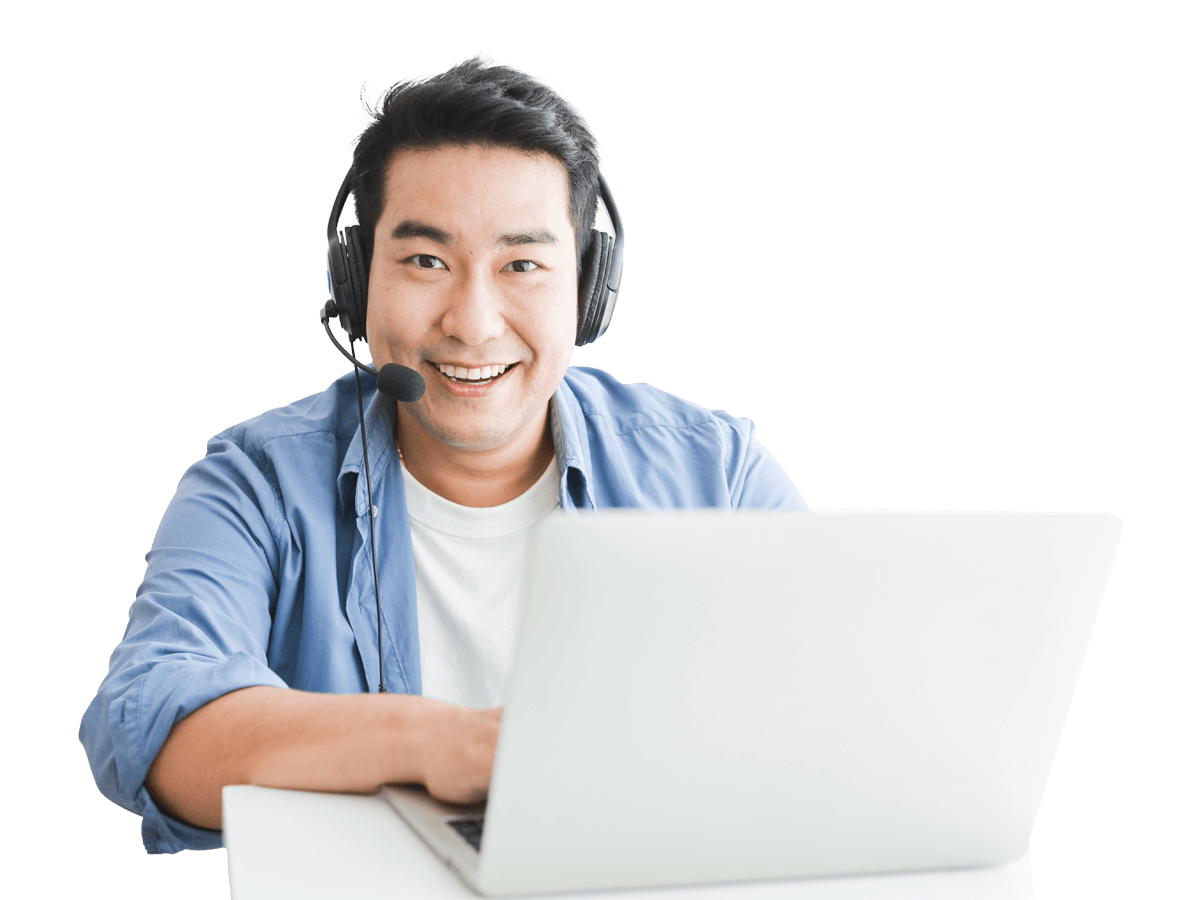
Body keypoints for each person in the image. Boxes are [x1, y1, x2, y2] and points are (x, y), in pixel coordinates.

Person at [80, 51, 810, 854]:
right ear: (357, 281)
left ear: (589, 285)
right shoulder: (256, 482)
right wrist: (441, 746)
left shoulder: (716, 471)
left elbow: (846, 709)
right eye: (426, 261)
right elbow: (151, 725)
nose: (473, 322)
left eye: (522, 264)